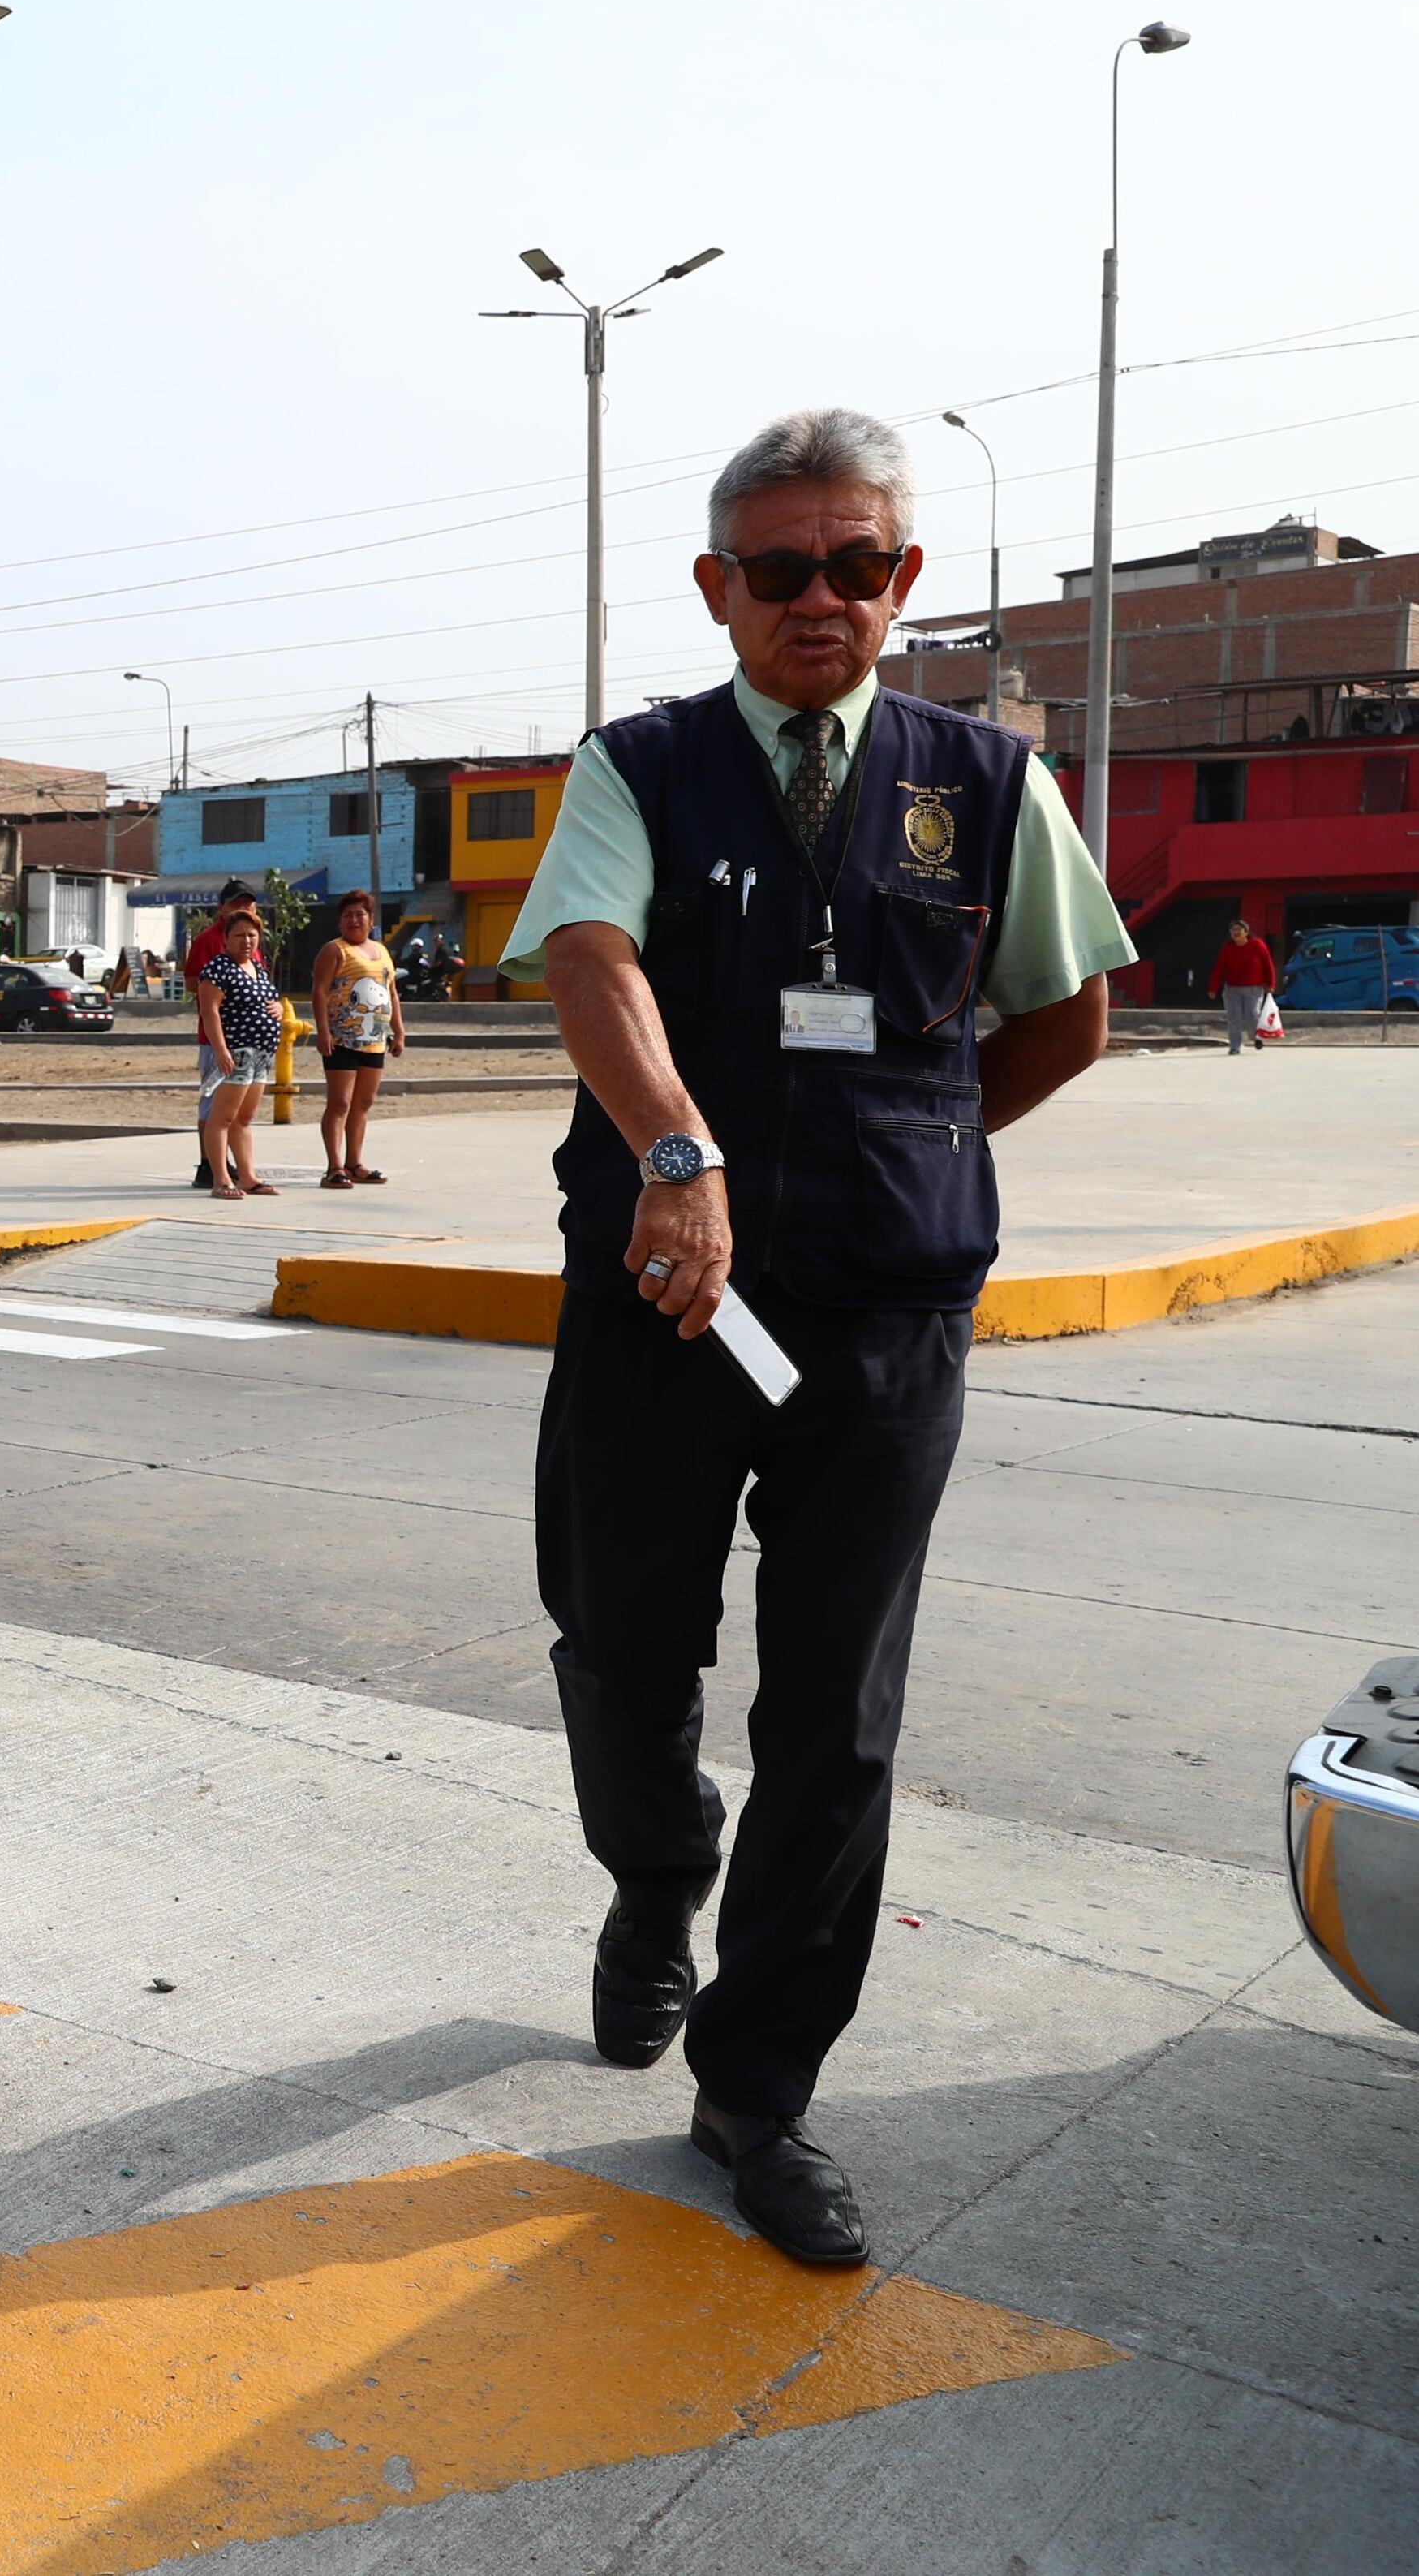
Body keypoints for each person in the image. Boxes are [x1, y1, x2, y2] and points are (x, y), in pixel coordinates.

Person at [501, 408, 1133, 2268]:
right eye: (779, 568)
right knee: (620, 1642)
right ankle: (655, 1879)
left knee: (836, 1714)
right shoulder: (638, 766)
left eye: (856, 565)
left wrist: (907, 1149)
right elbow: (588, 957)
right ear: (718, 587)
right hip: (665, 1294)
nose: (819, 597)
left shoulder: (985, 779)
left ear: (901, 578)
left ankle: (757, 2088)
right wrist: (680, 1153)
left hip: (880, 1314)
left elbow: (1062, 1014)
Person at [312, 888, 404, 1187]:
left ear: (371, 919)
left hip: (375, 1040)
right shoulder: (334, 950)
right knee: (340, 1103)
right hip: (342, 1040)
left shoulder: (383, 952)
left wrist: (399, 1031)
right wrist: (323, 1031)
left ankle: (354, 1163)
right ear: (340, 921)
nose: (354, 920)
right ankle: (334, 1167)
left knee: (363, 1104)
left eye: (360, 915)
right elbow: (319, 991)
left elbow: (392, 993)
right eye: (347, 915)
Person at [191, 907, 282, 1199]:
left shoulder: (257, 967)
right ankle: (221, 1179)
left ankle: (248, 1176)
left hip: (262, 1053)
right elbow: (210, 1012)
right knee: (222, 1118)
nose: (247, 941)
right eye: (239, 935)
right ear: (227, 938)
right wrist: (221, 1050)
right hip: (236, 1052)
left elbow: (270, 999)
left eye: (252, 935)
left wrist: (279, 1008)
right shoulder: (218, 969)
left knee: (244, 1118)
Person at [178, 878, 261, 1187]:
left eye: (248, 903)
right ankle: (209, 1165)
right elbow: (192, 982)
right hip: (219, 1040)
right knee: (214, 1103)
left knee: (238, 1109)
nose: (243, 908)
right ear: (221, 908)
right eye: (236, 903)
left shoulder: (252, 942)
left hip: (252, 1045)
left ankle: (232, 1164)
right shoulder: (209, 941)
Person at [1209, 916, 1276, 1053]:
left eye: (1238, 929)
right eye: (1233, 930)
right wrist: (1213, 988)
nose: (1235, 932)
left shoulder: (1258, 945)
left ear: (1246, 932)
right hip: (1232, 989)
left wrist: (1271, 984)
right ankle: (1235, 1047)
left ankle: (1255, 1037)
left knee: (1252, 1015)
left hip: (1254, 988)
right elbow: (1219, 969)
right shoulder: (1228, 949)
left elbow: (1268, 965)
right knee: (1234, 1018)